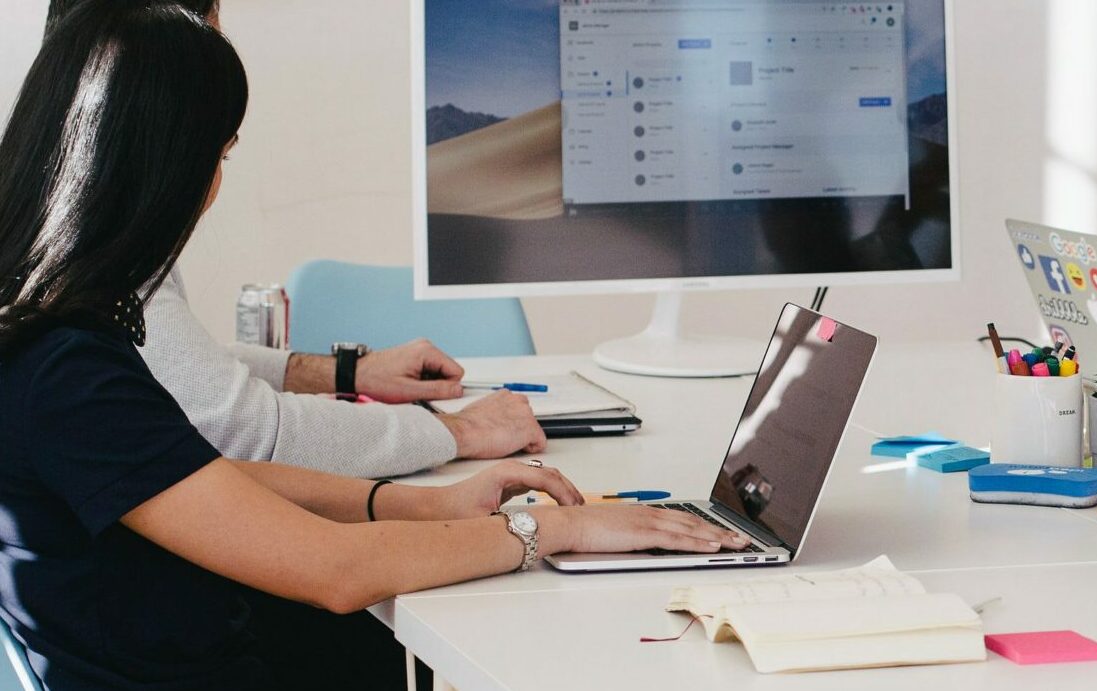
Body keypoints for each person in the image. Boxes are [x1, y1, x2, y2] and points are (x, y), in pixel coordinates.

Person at [0, 5, 747, 688]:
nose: (213, 188)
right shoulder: (67, 372)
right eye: (217, 156)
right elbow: (337, 571)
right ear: (156, 167)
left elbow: (211, 478)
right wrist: (555, 528)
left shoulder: (54, 320)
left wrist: (435, 504)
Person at [34, 0, 547, 480]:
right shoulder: (91, 259)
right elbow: (246, 432)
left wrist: (349, 372)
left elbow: (180, 372)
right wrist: (460, 431)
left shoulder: (64, 218)